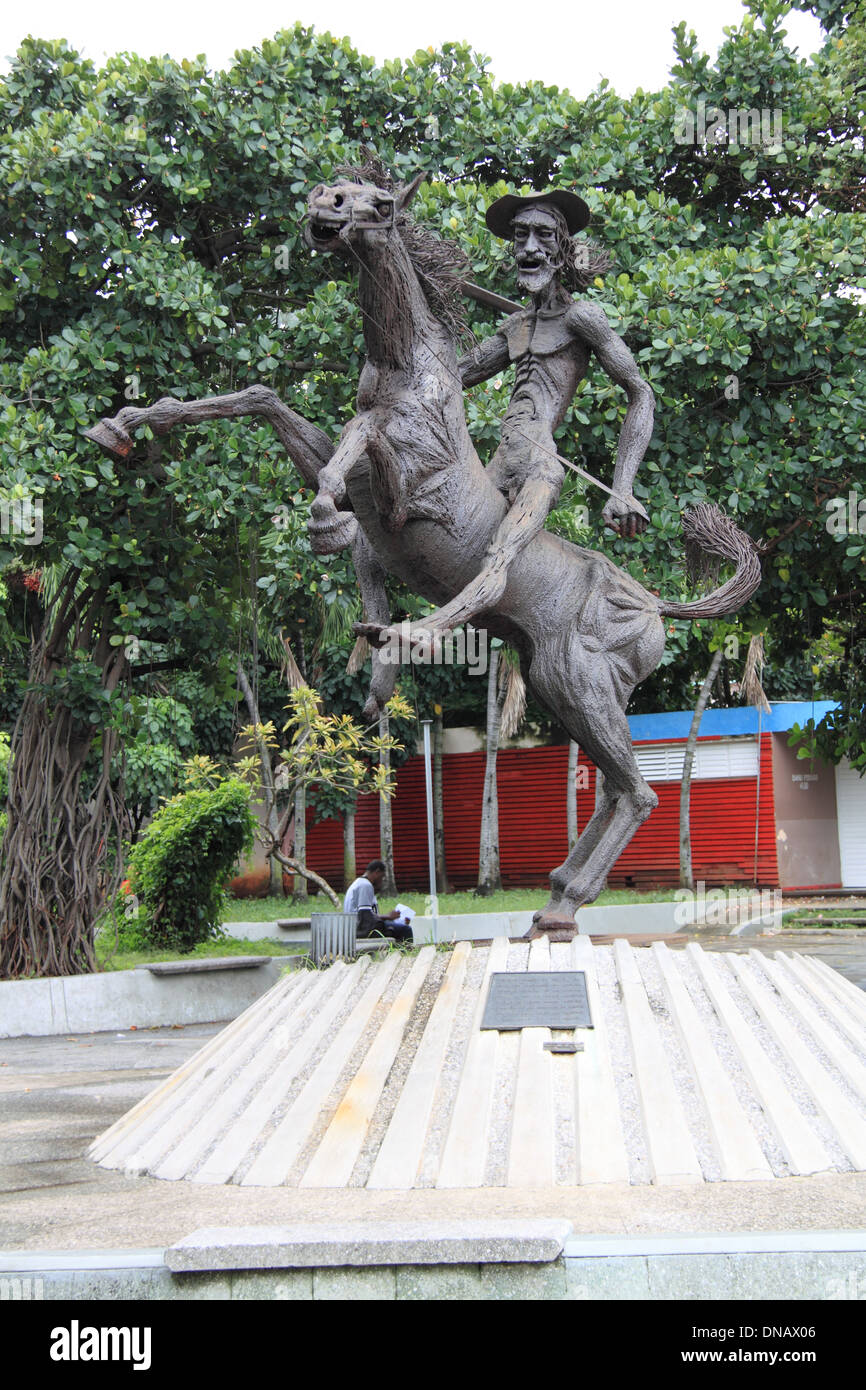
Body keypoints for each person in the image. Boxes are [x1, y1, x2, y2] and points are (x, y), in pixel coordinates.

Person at [389, 188, 656, 639]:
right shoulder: (514, 327)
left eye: (543, 235)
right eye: (520, 236)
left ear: (562, 248)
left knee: (497, 560)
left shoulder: (582, 318)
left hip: (538, 463)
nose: (530, 247)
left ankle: (436, 629)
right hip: (496, 465)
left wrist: (623, 487)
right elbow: (449, 378)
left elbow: (640, 392)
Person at [344, 859, 413, 942]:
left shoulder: (359, 883)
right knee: (405, 930)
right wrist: (388, 916)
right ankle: (402, 954)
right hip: (362, 930)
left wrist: (393, 919)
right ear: (377, 872)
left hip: (359, 927)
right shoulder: (365, 885)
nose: (381, 881)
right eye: (382, 877)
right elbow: (365, 916)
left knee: (399, 926)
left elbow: (367, 915)